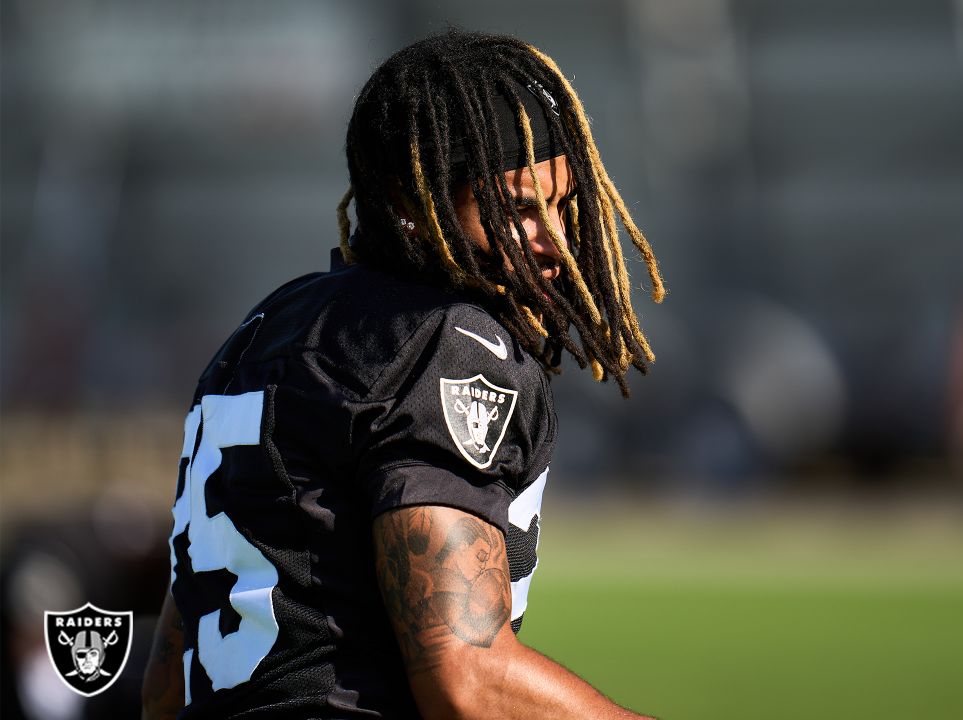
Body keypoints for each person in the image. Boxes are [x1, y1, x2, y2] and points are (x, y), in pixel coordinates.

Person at [141, 29, 663, 719]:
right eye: (520, 209)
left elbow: (164, 684)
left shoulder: (265, 329)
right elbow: (467, 678)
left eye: (562, 206)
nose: (558, 243)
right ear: (414, 203)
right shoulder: (447, 343)